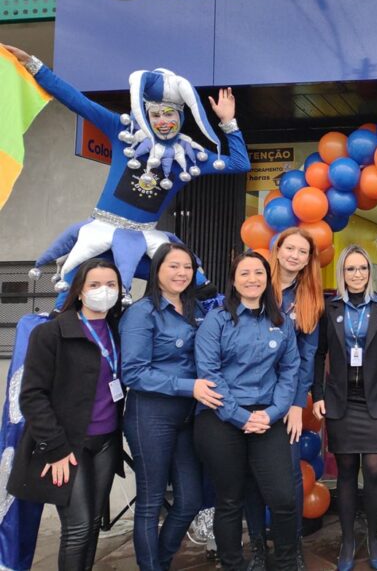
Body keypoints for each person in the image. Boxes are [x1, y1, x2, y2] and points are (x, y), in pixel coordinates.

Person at [0, 42, 251, 304]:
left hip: (146, 243)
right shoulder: (124, 133)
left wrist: (228, 122)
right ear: (146, 115)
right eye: (156, 115)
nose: (163, 122)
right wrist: (34, 65)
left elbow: (240, 164)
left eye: (170, 114)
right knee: (67, 296)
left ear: (181, 117)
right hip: (98, 236)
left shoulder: (190, 156)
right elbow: (77, 101)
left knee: (197, 284)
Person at [8, 259, 124, 570]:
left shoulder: (117, 329)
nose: (103, 291)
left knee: (93, 524)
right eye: (94, 285)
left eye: (111, 285)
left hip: (106, 442)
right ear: (79, 291)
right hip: (69, 445)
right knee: (78, 527)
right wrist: (55, 448)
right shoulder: (51, 333)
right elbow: (32, 396)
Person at [194, 251, 300, 571]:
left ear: (267, 279)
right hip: (221, 416)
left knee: (283, 498)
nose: (252, 279)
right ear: (233, 280)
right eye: (244, 273)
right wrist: (241, 417)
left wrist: (272, 413)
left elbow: (290, 370)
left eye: (259, 273)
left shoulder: (280, 321)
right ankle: (233, 565)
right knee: (229, 500)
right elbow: (209, 373)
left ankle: (286, 564)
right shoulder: (217, 320)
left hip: (267, 416)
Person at [120, 242, 222, 571]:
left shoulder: (196, 309)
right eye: (173, 266)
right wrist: (189, 386)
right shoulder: (141, 313)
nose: (181, 273)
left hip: (188, 417)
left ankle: (160, 562)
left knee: (190, 499)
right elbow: (133, 373)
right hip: (151, 416)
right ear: (157, 270)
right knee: (150, 502)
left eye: (187, 267)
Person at [312, 245, 377, 571]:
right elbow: (318, 354)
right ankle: (348, 540)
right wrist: (318, 394)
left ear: (370, 272)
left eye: (362, 268)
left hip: (376, 399)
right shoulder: (329, 307)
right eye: (350, 269)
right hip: (340, 400)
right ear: (342, 273)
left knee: (375, 471)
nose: (357, 274)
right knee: (347, 472)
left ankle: (374, 538)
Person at [244, 227, 325, 571]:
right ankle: (258, 548)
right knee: (250, 476)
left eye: (302, 251)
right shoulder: (257, 285)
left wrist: (295, 404)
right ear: (277, 250)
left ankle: (290, 550)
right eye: (289, 248)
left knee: (290, 476)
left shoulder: (310, 298)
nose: (294, 255)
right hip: (248, 395)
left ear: (309, 260)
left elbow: (307, 356)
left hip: (287, 398)